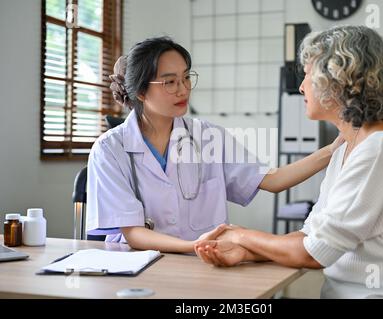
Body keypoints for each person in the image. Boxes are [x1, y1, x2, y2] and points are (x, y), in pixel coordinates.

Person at [195, 26, 383, 299]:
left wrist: (241, 236)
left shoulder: (379, 149)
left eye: (309, 73)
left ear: (340, 79)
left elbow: (315, 252)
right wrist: (247, 252)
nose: (301, 86)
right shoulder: (347, 148)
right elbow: (310, 235)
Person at [85, 37, 343, 253]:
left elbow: (272, 180)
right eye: (170, 82)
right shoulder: (110, 149)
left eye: (186, 78)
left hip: (203, 262)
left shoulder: (207, 136)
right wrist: (194, 245)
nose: (183, 89)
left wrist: (332, 150)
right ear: (141, 92)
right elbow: (134, 234)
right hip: (138, 266)